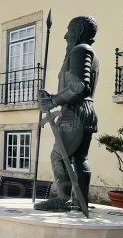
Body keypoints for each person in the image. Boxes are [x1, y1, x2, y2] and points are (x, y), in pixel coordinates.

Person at [34, 15, 99, 214]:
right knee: (79, 158)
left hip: (74, 114)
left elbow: (79, 87)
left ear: (79, 30)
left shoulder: (80, 51)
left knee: (59, 156)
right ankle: (81, 201)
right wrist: (53, 96)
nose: (65, 36)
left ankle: (64, 199)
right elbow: (76, 87)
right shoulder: (87, 52)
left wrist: (53, 102)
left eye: (69, 31)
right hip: (84, 112)